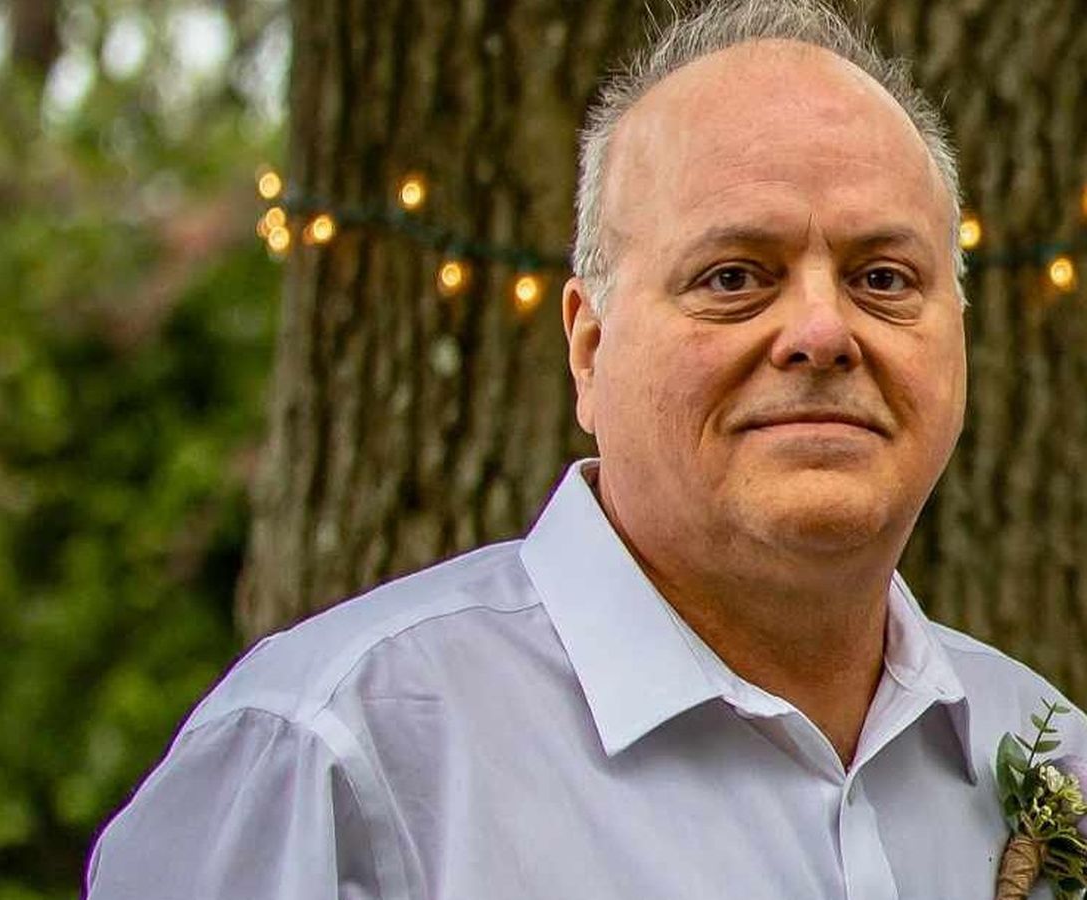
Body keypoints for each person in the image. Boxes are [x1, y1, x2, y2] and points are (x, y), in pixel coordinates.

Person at [86, 1, 1086, 898]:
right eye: (735, 277)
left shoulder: (1052, 755)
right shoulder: (338, 763)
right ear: (589, 348)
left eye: (883, 278)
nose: (823, 332)